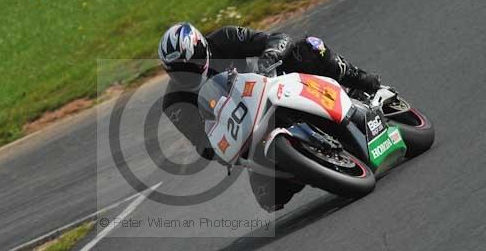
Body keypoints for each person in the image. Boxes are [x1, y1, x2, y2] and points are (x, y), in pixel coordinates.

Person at [158, 22, 380, 211]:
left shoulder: (224, 38)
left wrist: (270, 54)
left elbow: (278, 39)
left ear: (201, 48)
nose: (185, 72)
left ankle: (359, 82)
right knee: (270, 199)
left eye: (189, 63)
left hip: (275, 84)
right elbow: (201, 142)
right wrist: (216, 147)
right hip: (250, 133)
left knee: (308, 47)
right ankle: (314, 165)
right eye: (177, 70)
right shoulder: (174, 103)